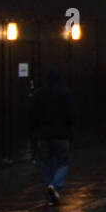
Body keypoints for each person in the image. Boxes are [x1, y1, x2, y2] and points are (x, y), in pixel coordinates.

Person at [31, 67, 74, 204]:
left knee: (45, 164)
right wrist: (70, 130)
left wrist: (35, 131)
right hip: (61, 135)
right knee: (64, 162)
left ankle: (50, 198)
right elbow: (71, 114)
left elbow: (33, 115)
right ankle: (55, 185)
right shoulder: (65, 93)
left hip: (43, 135)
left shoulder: (39, 94)